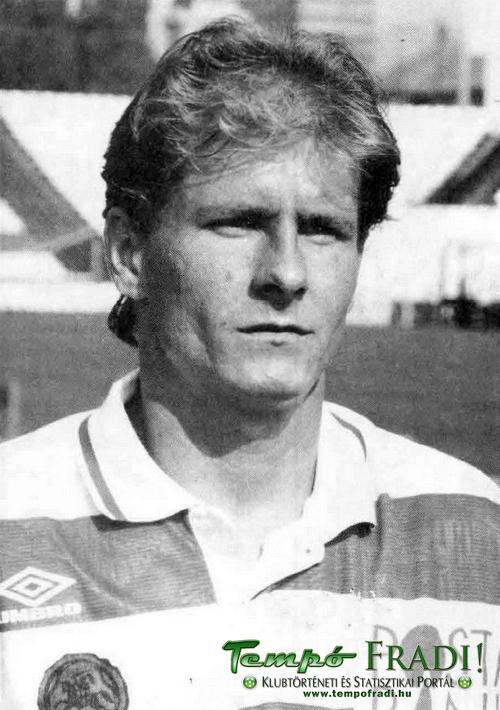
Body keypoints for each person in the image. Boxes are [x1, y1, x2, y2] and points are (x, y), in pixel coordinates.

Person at [1, 18, 500, 710]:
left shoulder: (473, 531)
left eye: (323, 229)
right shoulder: (11, 519)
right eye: (238, 222)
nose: (287, 273)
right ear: (128, 254)